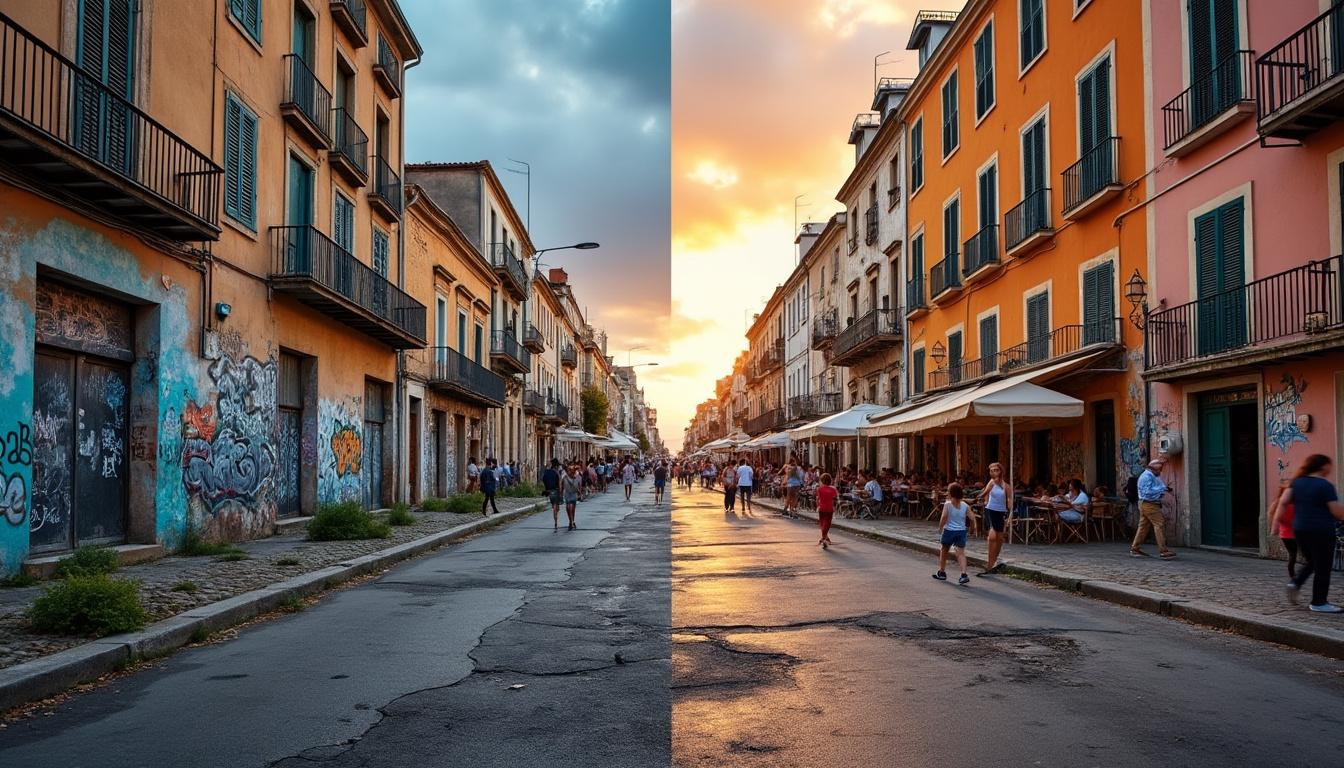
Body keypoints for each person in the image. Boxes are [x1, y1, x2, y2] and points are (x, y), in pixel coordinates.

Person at [1278, 454, 1344, 612]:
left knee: (1312, 562)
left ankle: (1295, 583)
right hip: (1321, 530)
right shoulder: (1325, 486)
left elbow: (1283, 502)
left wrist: (1276, 523)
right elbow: (1337, 512)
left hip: (1300, 529)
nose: (1331, 468)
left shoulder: (1296, 482)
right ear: (1323, 466)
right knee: (1323, 566)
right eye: (1329, 465)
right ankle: (1319, 602)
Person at [1133, 458, 1176, 559]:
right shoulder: (1146, 477)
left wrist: (1165, 488)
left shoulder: (1153, 476)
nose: (1160, 472)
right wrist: (1161, 489)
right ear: (1154, 469)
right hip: (1149, 504)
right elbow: (1147, 492)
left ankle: (1135, 548)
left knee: (1143, 527)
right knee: (1159, 524)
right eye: (1159, 470)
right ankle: (1163, 551)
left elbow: (1158, 486)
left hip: (1148, 504)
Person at [934, 483, 976, 585]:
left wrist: (940, 528)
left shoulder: (947, 504)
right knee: (960, 553)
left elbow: (944, 517)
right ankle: (963, 574)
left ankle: (942, 571)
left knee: (944, 550)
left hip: (949, 530)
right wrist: (972, 528)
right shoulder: (965, 505)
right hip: (961, 531)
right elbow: (972, 518)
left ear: (950, 493)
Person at [975, 462, 1011, 576]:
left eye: (996, 470)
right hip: (990, 510)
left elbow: (1010, 500)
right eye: (992, 470)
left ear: (1001, 471)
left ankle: (993, 561)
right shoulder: (991, 482)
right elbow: (985, 492)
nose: (994, 472)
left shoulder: (1006, 486)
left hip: (1001, 512)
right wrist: (978, 497)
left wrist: (1010, 512)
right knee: (991, 537)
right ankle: (989, 564)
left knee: (999, 538)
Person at [1268, 479, 1303, 581]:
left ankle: (1292, 574)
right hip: (1295, 534)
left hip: (1284, 535)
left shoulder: (1280, 505)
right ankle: (1296, 574)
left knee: (1292, 554)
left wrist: (1274, 528)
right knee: (1297, 554)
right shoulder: (1295, 505)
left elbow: (1272, 515)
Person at [816, 472, 839, 549]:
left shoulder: (819, 489)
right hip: (829, 508)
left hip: (821, 508)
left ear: (821, 481)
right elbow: (835, 499)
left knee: (822, 522)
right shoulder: (833, 489)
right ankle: (824, 537)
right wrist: (835, 507)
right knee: (827, 523)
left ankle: (824, 537)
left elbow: (817, 499)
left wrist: (817, 506)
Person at [542, 459, 563, 531]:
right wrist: (560, 493)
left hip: (550, 491)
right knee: (556, 507)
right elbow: (560, 484)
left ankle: (555, 521)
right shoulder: (557, 473)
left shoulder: (547, 472)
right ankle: (556, 521)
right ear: (556, 466)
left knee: (554, 505)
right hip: (556, 490)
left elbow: (544, 479)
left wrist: (547, 488)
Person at [560, 463, 583, 530]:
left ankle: (572, 520)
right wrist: (561, 492)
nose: (570, 471)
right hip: (567, 493)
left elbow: (578, 485)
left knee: (573, 508)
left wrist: (579, 493)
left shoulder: (576, 476)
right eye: (569, 470)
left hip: (573, 494)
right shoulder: (564, 476)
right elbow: (561, 484)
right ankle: (571, 521)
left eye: (572, 470)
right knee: (568, 507)